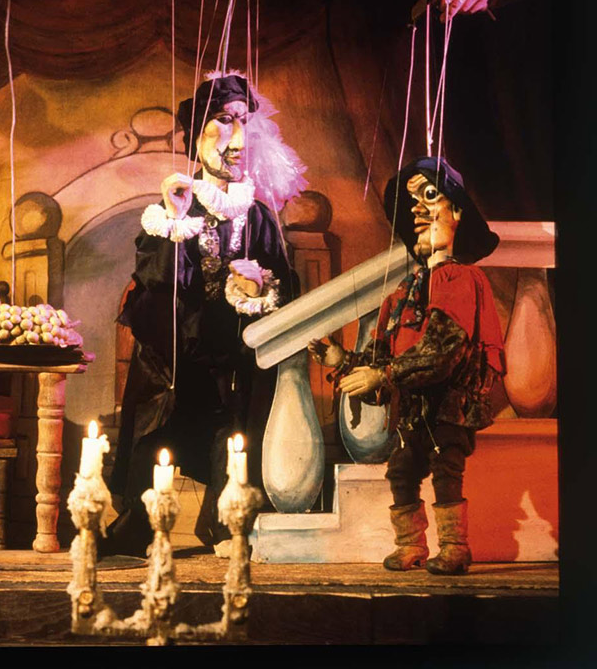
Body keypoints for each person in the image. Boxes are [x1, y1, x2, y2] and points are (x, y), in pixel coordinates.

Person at [102, 72, 301, 558]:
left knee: (229, 439)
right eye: (224, 120)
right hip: (174, 355)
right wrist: (175, 221)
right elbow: (156, 279)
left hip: (228, 357)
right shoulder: (176, 203)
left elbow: (284, 285)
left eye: (243, 121)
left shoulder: (257, 215)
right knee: (153, 437)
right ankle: (138, 527)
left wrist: (259, 285)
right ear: (196, 136)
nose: (237, 137)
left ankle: (223, 523)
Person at [308, 156, 505, 575]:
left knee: (446, 469)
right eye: (413, 201)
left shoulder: (459, 279)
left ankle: (454, 546)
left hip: (449, 406)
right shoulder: (404, 291)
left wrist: (383, 374)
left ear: (457, 212)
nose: (417, 209)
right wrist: (343, 361)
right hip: (413, 410)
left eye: (430, 196)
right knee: (401, 471)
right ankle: (410, 544)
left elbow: (441, 352)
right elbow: (384, 360)